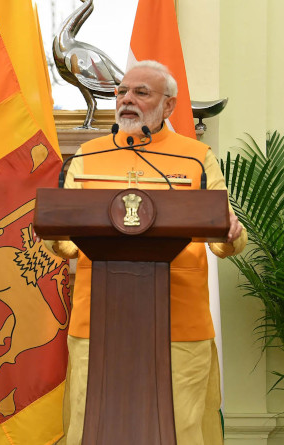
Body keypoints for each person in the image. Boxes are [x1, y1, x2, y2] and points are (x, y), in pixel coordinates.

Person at [45, 60, 247, 445]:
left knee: (180, 429)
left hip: (179, 322)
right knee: (93, 425)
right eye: (122, 91)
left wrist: (230, 233)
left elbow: (228, 240)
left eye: (141, 92)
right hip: (100, 320)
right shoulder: (86, 156)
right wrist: (57, 235)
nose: (126, 100)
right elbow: (66, 241)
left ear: (168, 106)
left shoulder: (195, 157)